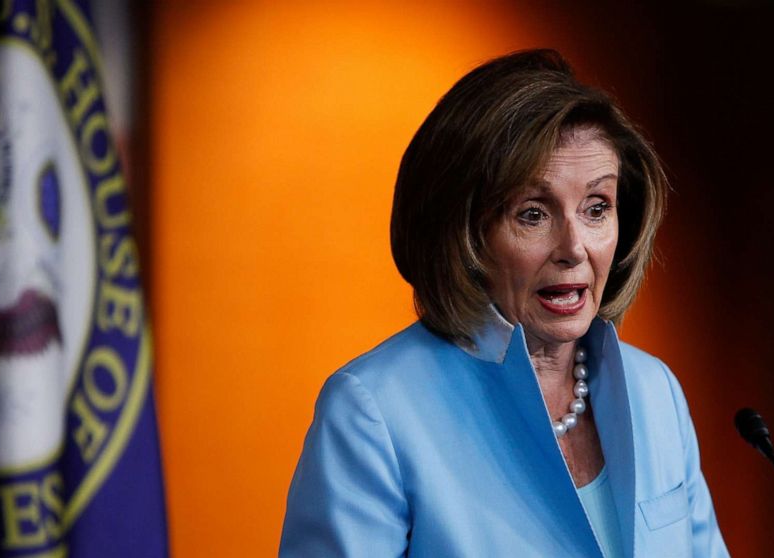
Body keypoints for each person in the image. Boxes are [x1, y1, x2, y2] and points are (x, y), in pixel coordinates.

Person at [280, 49, 729, 557]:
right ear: (464, 233)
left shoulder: (656, 393)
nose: (574, 248)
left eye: (596, 208)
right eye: (533, 214)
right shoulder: (374, 412)